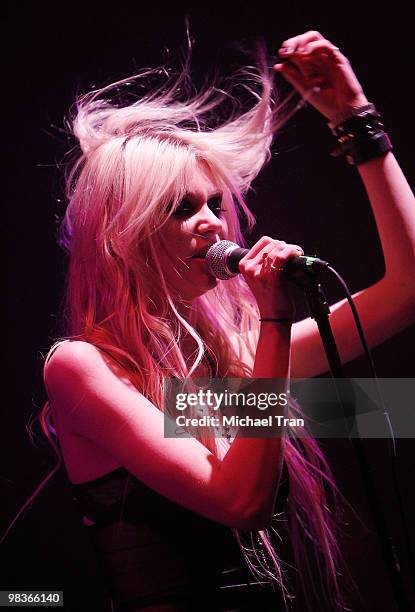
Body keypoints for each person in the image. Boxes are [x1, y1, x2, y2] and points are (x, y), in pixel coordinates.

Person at [36, 29, 415, 611]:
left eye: (215, 204)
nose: (214, 223)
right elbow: (241, 502)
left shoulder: (227, 359)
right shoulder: (82, 367)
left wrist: (358, 123)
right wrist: (274, 324)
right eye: (180, 207)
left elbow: (407, 292)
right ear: (122, 233)